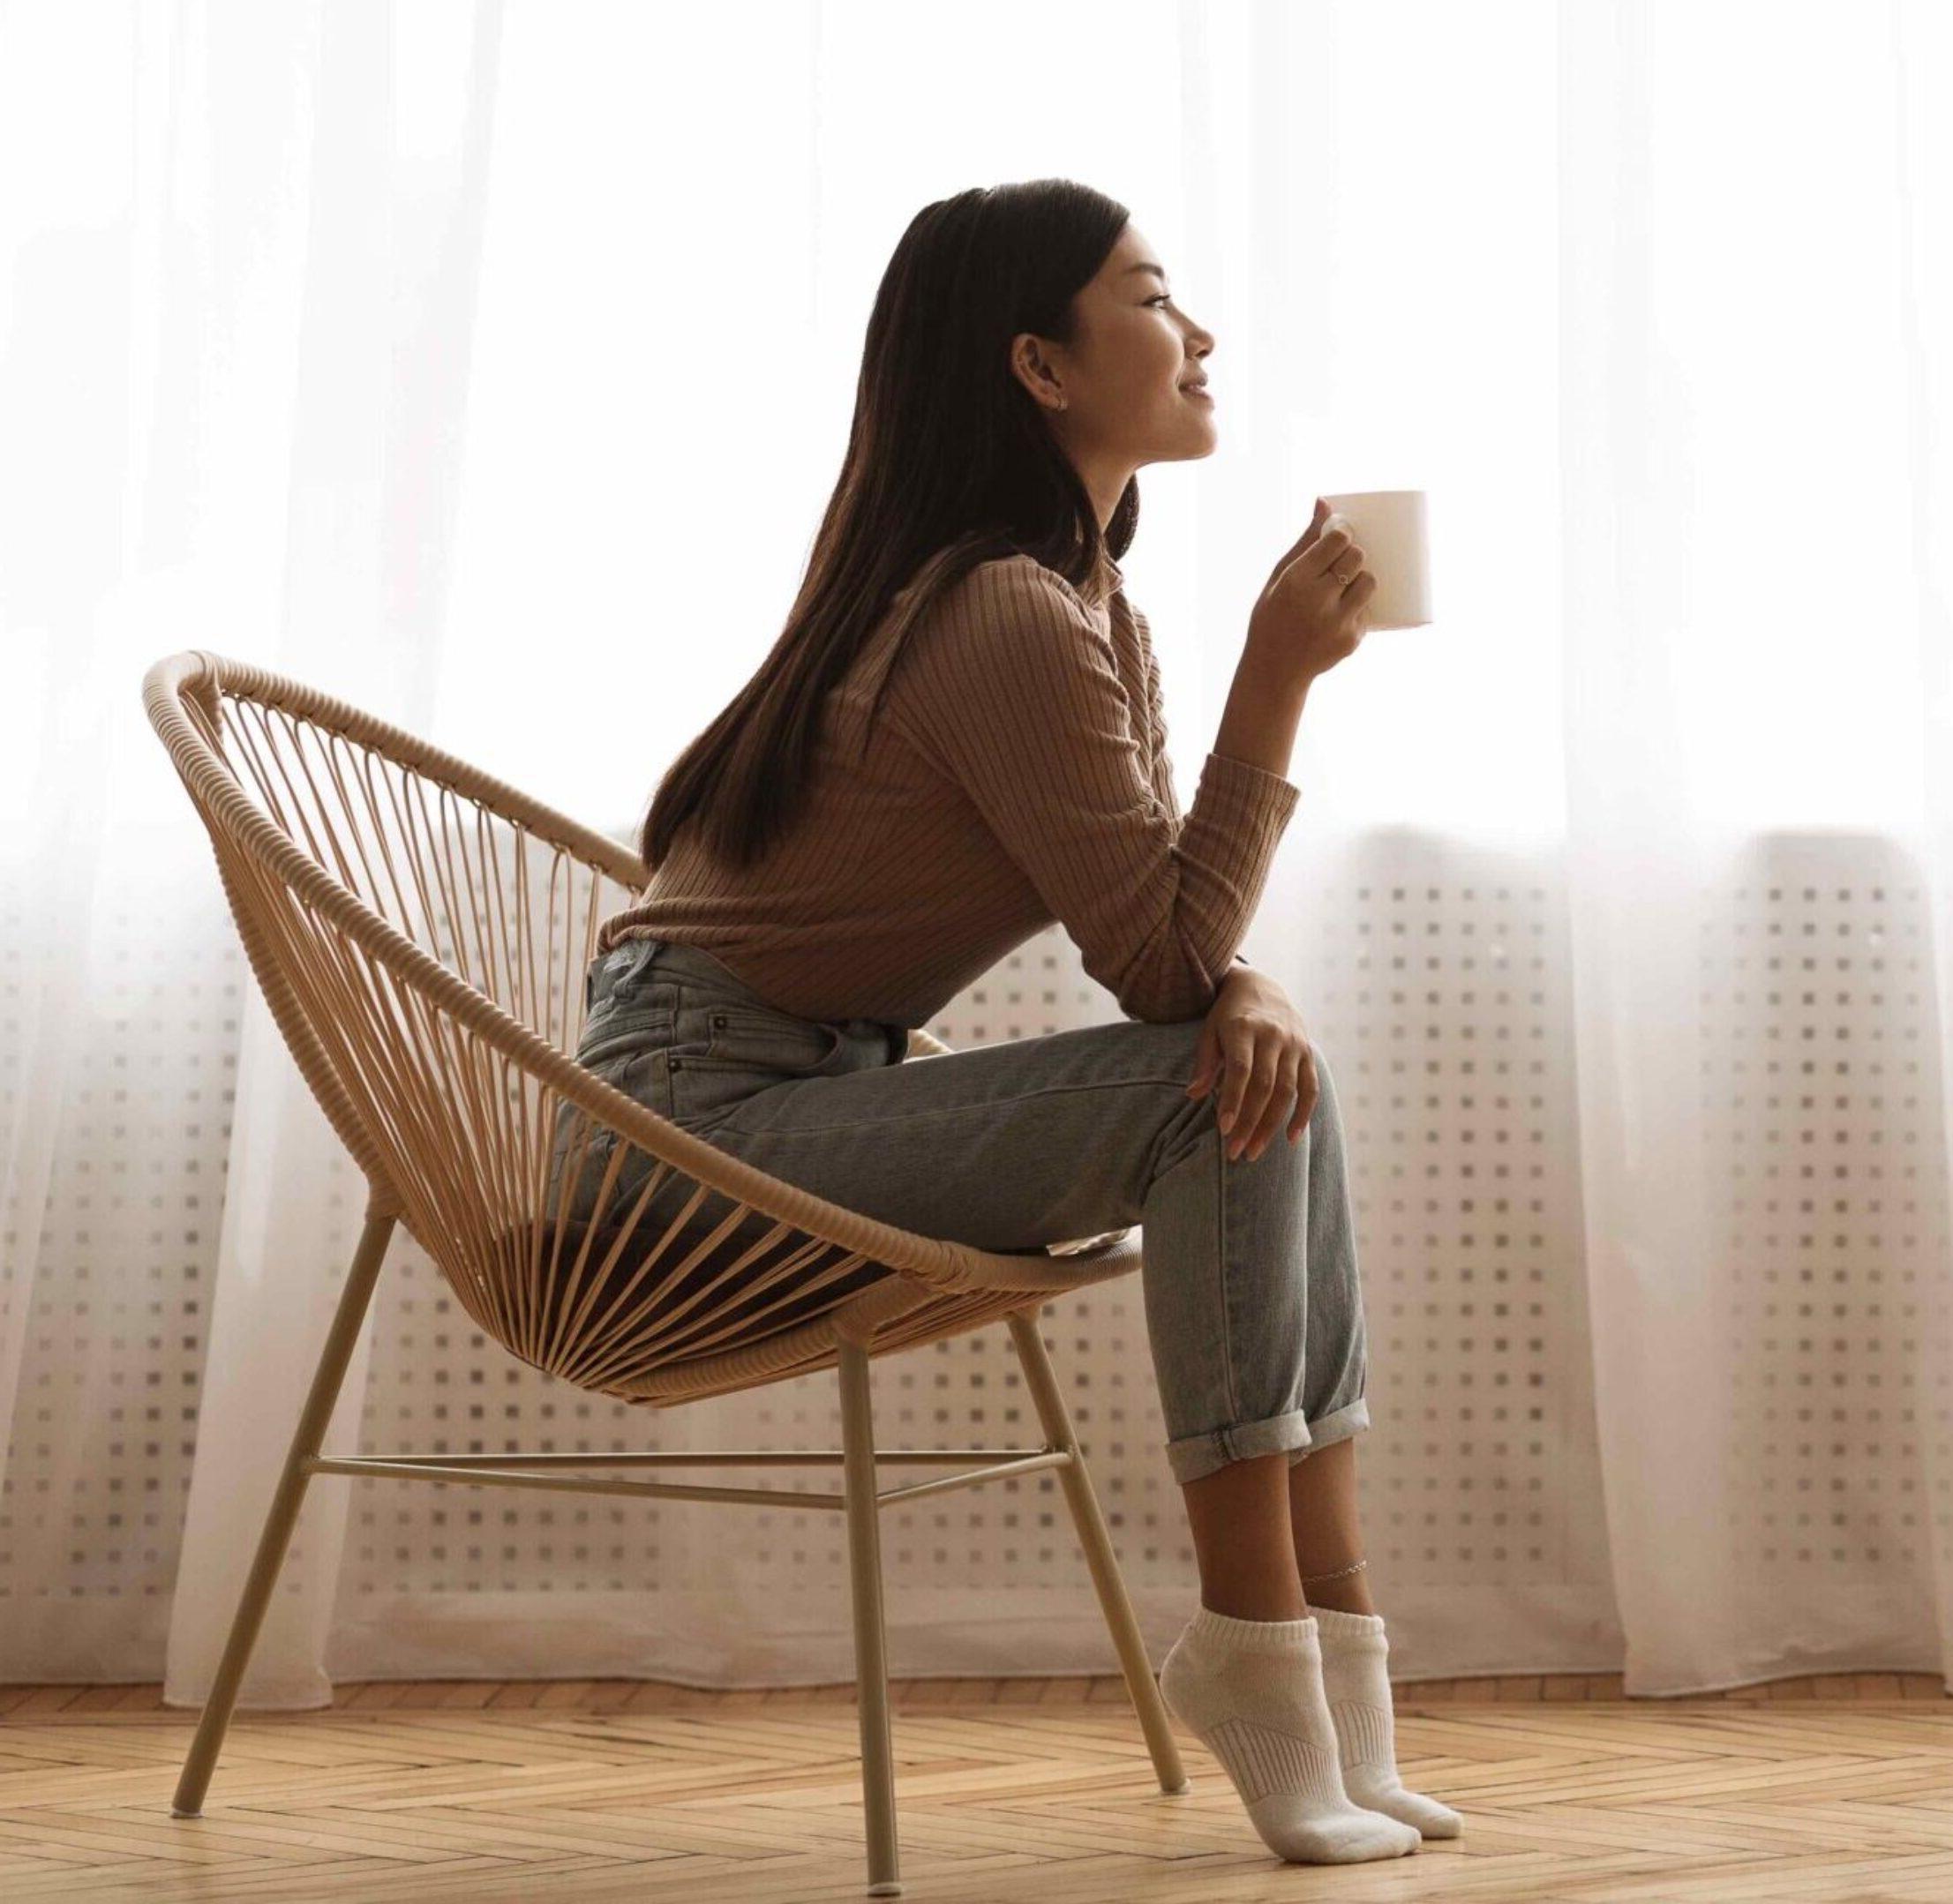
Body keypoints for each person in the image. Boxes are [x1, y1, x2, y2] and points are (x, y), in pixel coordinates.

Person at [547, 178, 1460, 1864]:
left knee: (1264, 1078)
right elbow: (1163, 968)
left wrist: (1246, 984)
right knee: (1220, 1085)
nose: (1200, 336)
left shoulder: (1075, 603)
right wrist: (1279, 681)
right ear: (1040, 366)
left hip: (788, 1088)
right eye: (1155, 300)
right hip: (681, 1142)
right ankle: (1262, 1662)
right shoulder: (1002, 617)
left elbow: (1183, 949)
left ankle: (1329, 1677)